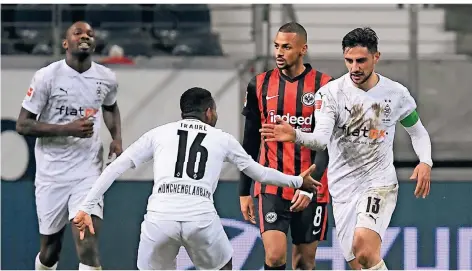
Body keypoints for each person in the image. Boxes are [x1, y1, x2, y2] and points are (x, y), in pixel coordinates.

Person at [71, 87, 323, 270]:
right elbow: (258, 172)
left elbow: (116, 167)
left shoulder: (159, 134)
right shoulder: (221, 138)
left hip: (160, 220)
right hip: (200, 220)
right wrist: (297, 181)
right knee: (224, 266)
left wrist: (86, 206)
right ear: (209, 111)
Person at [260, 27, 433, 270]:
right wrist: (296, 135)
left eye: (361, 61)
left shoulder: (395, 94)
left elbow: (417, 131)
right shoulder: (331, 94)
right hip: (342, 189)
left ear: (376, 57)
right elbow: (321, 140)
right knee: (358, 263)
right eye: (349, 61)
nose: (355, 68)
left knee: (364, 247)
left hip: (378, 182)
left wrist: (425, 161)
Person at [16, 21, 123, 270]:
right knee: (50, 251)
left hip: (88, 172)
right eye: (78, 33)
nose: (85, 36)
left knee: (87, 244)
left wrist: (116, 138)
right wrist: (67, 129)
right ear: (66, 43)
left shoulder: (106, 78)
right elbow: (23, 125)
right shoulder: (47, 77)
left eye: (90, 34)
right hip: (51, 174)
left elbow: (110, 107)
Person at [239, 22, 333, 270]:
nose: (279, 52)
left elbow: (327, 145)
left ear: (303, 49)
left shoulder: (326, 86)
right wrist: (244, 190)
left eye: (287, 47)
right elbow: (249, 141)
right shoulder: (259, 84)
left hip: (312, 185)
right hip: (271, 184)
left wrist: (309, 187)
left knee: (304, 262)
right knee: (274, 255)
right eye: (276, 46)